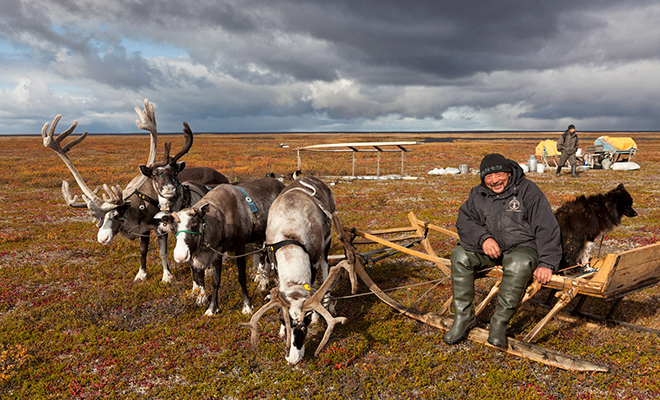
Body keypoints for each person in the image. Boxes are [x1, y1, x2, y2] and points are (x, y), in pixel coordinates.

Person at [443, 154, 562, 348]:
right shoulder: (477, 194)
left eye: (499, 174)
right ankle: (463, 317)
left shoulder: (528, 190)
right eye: (488, 177)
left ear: (508, 173)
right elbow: (465, 222)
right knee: (460, 255)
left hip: (522, 248)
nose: (494, 180)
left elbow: (546, 226)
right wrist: (484, 239)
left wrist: (547, 263)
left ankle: (498, 323)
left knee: (519, 263)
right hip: (491, 250)